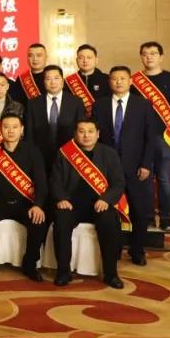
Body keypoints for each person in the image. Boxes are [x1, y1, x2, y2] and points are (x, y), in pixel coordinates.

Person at [47, 119, 127, 289]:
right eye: (81, 131)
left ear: (98, 134)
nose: (86, 135)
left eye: (90, 131)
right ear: (75, 134)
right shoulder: (65, 153)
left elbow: (118, 183)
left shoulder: (109, 154)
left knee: (110, 222)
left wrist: (106, 199)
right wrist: (61, 198)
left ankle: (111, 274)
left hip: (99, 204)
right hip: (71, 205)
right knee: (61, 221)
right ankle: (63, 272)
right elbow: (55, 181)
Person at [0, 112, 49, 280]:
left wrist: (38, 205)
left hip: (24, 203)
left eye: (15, 127)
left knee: (39, 221)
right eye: (6, 127)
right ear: (0, 129)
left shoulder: (33, 152)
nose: (11, 131)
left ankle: (30, 265)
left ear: (22, 130)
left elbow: (41, 183)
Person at [95, 66, 156, 266]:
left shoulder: (143, 105)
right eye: (114, 79)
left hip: (135, 167)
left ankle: (137, 250)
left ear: (130, 81)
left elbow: (150, 137)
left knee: (139, 210)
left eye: (122, 78)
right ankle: (113, 250)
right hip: (107, 168)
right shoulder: (100, 105)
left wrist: (146, 164)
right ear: (109, 82)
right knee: (110, 210)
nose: (118, 82)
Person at [133, 41, 170, 233]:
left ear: (161, 57)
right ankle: (148, 218)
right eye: (145, 53)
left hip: (166, 137)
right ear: (141, 57)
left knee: (164, 178)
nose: (149, 57)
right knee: (145, 178)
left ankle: (166, 219)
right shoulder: (134, 82)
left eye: (153, 53)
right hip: (141, 138)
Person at [26, 65, 86, 172]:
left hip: (69, 155)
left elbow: (80, 129)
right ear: (44, 82)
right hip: (40, 156)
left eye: (56, 78)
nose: (52, 82)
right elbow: (29, 133)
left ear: (62, 81)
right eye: (48, 79)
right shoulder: (33, 104)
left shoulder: (76, 102)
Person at [68, 44, 110, 114]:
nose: (85, 60)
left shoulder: (107, 79)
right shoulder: (69, 82)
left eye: (89, 57)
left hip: (101, 118)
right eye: (81, 58)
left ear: (96, 60)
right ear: (77, 61)